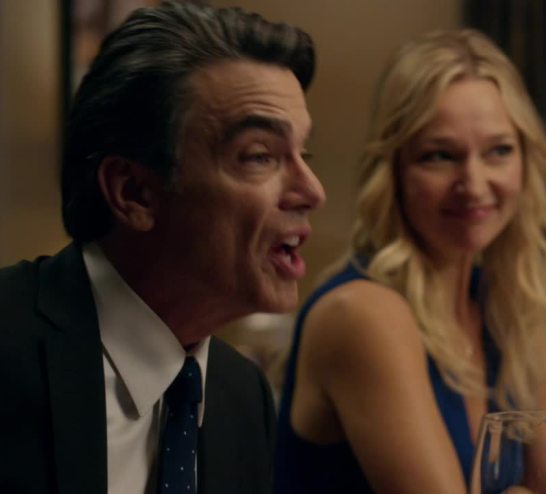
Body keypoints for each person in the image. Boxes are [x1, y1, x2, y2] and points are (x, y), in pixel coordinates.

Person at [0, 2, 324, 494]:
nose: (313, 190)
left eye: (305, 153)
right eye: (260, 156)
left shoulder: (242, 397)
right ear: (134, 192)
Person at [276, 29, 546, 493]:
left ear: (526, 162)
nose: (474, 184)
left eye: (498, 151)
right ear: (394, 170)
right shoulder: (363, 313)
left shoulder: (512, 308)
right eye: (440, 156)